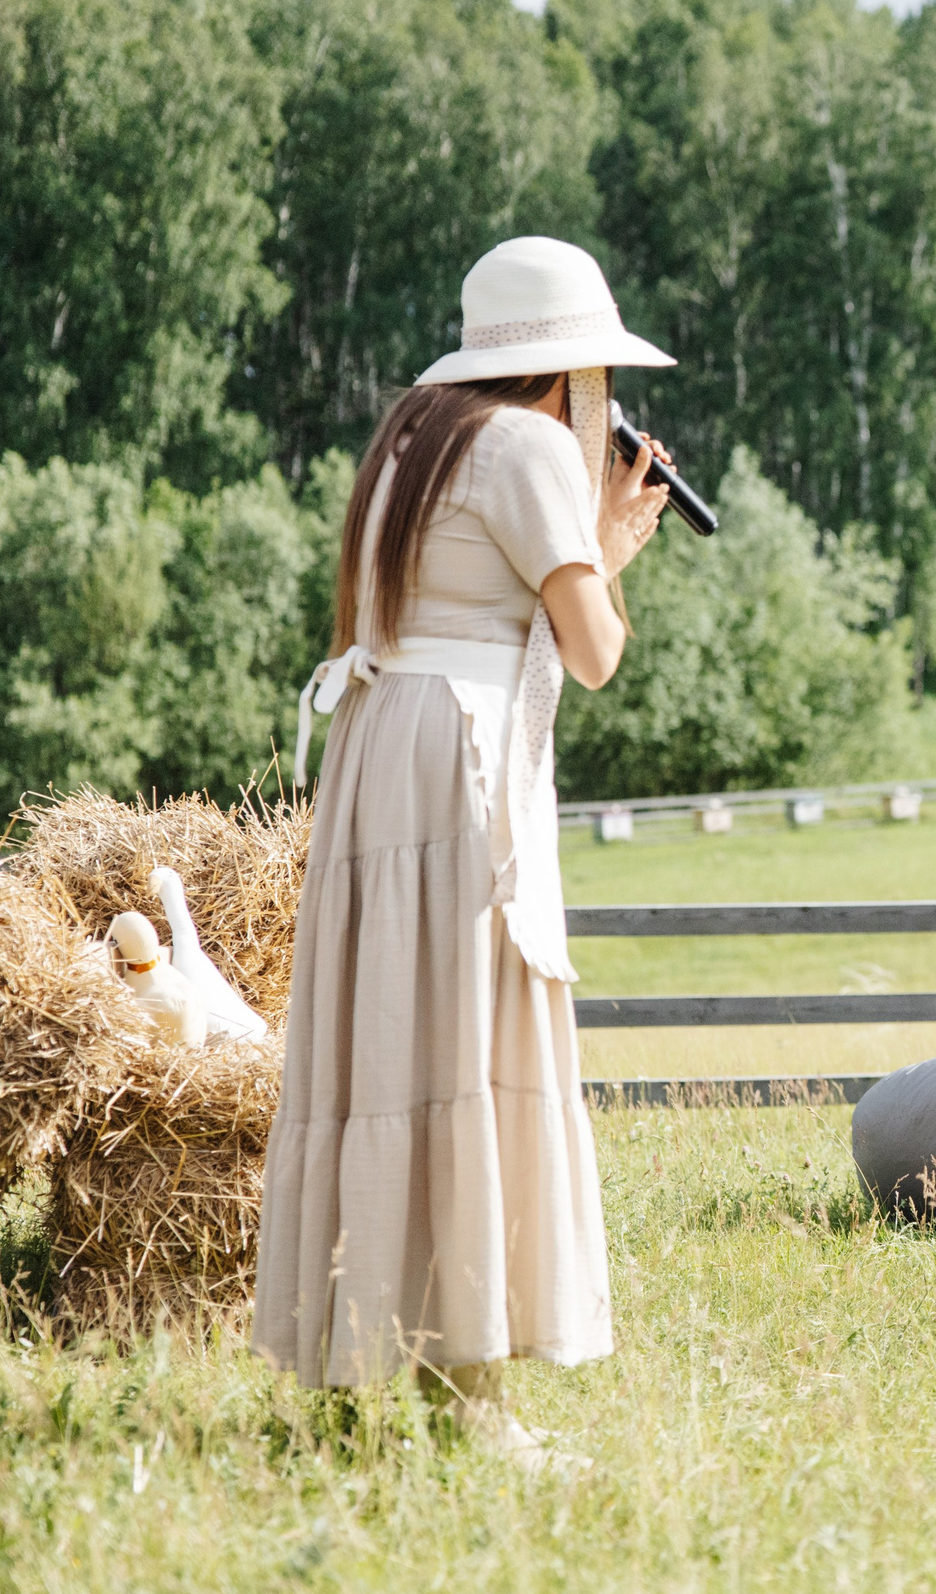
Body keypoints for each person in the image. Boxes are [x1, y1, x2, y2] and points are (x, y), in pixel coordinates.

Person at [251, 237, 677, 1468]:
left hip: (383, 744)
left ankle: (349, 1368)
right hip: (461, 757)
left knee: (381, 1043)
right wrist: (609, 536)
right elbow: (592, 651)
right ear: (569, 368)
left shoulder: (409, 437)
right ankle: (470, 1404)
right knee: (466, 1046)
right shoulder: (533, 446)